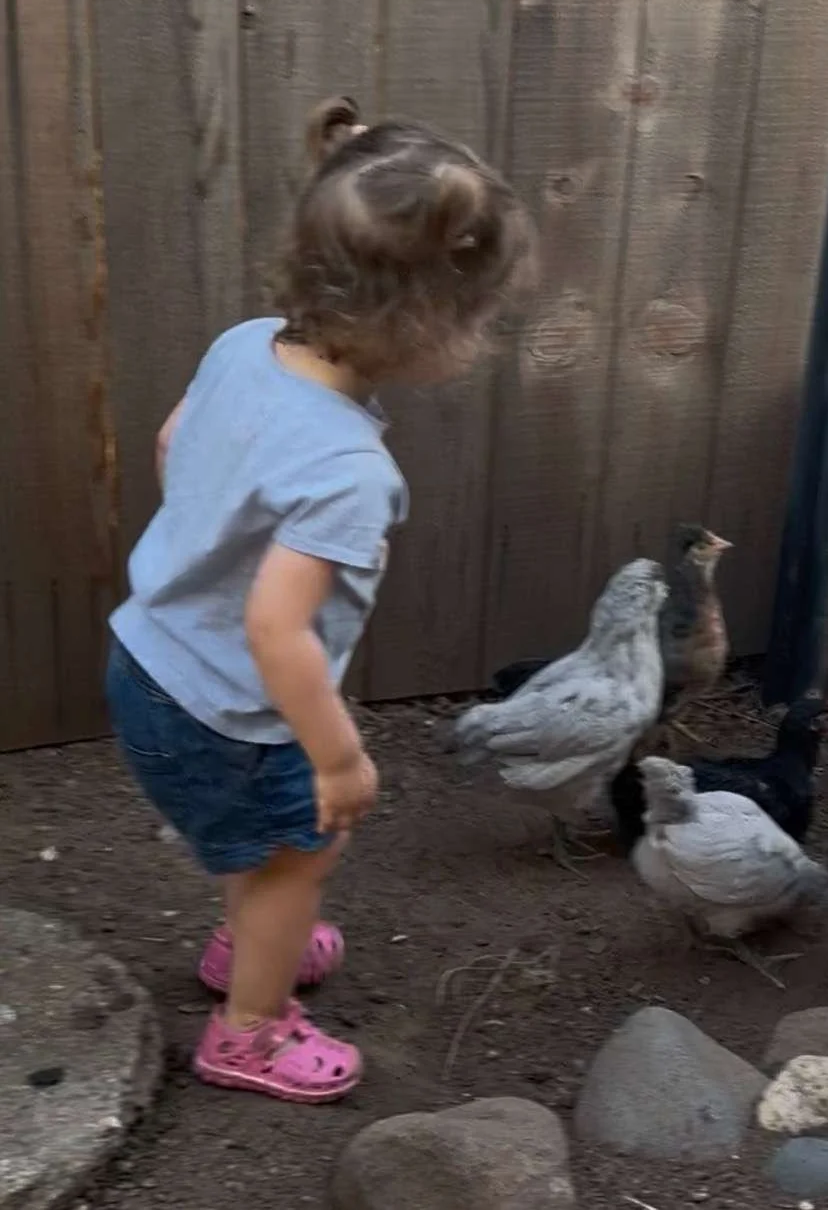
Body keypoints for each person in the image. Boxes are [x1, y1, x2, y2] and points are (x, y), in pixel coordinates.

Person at [105, 95, 535, 1104]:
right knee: (306, 847)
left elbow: (175, 445)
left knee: (259, 849)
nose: (479, 340)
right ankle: (247, 1030)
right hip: (226, 707)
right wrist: (340, 756)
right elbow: (273, 626)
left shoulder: (246, 343)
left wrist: (211, 542)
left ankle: (248, 942)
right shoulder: (347, 469)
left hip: (149, 663)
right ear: (422, 321)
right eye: (479, 320)